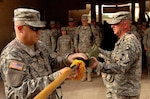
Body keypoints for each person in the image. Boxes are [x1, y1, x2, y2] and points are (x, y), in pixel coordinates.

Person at [0, 8, 88, 99]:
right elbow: (17, 93)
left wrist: (67, 59)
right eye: (34, 28)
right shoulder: (11, 55)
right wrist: (55, 78)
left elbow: (53, 61)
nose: (39, 32)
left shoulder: (40, 46)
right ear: (20, 28)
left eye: (40, 28)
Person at [96, 11, 142, 99]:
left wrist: (97, 65)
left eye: (115, 24)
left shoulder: (130, 42)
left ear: (125, 24)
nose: (112, 26)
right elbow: (115, 56)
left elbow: (121, 67)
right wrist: (99, 52)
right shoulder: (123, 40)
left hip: (125, 93)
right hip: (119, 91)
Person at [74, 15, 100, 82]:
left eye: (85, 21)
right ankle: (84, 74)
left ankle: (89, 74)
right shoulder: (79, 28)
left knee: (90, 62)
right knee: (82, 62)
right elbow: (76, 38)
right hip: (81, 48)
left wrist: (96, 47)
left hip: (89, 48)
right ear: (81, 21)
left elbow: (97, 37)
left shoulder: (91, 28)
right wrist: (76, 47)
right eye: (83, 21)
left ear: (87, 21)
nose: (84, 22)